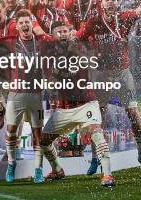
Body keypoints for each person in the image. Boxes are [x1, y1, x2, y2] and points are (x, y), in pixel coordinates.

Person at [76, 0, 141, 176]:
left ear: (117, 3)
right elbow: (76, 40)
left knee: (133, 113)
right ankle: (95, 157)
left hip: (122, 73)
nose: (111, 2)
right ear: (101, 4)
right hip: (101, 74)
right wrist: (86, 57)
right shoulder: (94, 22)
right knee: (98, 116)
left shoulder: (124, 17)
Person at [40, 22, 115, 187]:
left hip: (86, 102)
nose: (63, 34)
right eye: (59, 32)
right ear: (52, 37)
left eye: (65, 31)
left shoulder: (79, 48)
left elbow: (91, 63)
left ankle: (108, 175)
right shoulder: (48, 55)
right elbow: (51, 83)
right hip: (64, 108)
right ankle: (57, 169)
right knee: (44, 141)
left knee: (96, 133)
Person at [0, 10, 50, 184]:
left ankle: (38, 169)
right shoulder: (10, 42)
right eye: (21, 23)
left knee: (37, 133)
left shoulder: (41, 43)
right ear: (16, 25)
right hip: (16, 93)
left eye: (28, 22)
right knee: (11, 131)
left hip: (36, 94)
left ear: (31, 24)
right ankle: (11, 163)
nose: (25, 25)